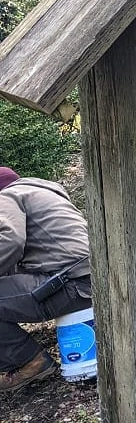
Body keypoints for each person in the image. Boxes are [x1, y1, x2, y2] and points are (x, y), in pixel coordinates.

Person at [0, 167, 91, 391]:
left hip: (70, 284)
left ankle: (30, 362)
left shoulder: (7, 196)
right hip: (90, 279)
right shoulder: (42, 193)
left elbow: (10, 241)